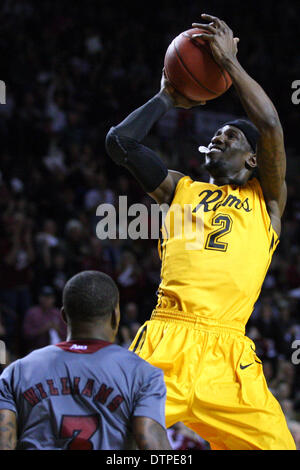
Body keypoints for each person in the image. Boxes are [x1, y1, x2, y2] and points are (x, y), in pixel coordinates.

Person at [105, 14, 296, 450]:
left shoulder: (266, 202)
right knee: (109, 440)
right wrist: (167, 97)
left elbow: (268, 125)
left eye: (228, 136)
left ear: (252, 160)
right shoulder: (179, 189)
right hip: (166, 340)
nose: (217, 139)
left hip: (229, 356)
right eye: (215, 135)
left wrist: (229, 63)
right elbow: (121, 143)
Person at [0, 271, 171, 450]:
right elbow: (153, 444)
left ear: (64, 317)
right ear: (115, 316)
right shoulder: (143, 373)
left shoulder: (16, 371)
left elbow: (4, 443)